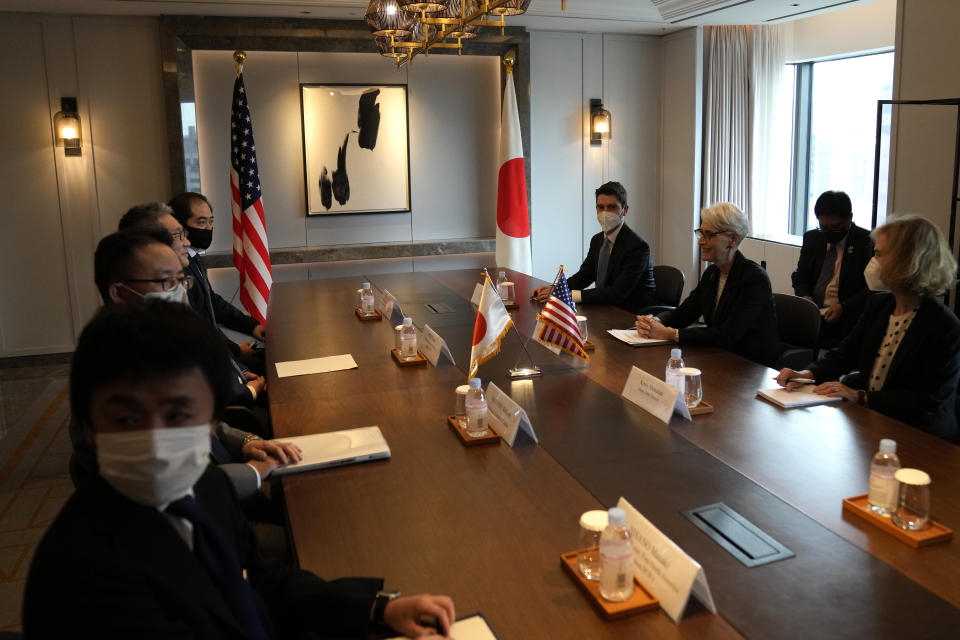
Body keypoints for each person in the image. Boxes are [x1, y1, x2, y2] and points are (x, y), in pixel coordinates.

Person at [24, 302, 455, 638]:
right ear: (87, 428)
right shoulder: (82, 576)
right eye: (126, 420)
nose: (156, 438)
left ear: (213, 418)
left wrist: (377, 608)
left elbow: (265, 580)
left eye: (178, 415)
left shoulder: (205, 484)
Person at [81, 229, 286, 492]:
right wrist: (253, 474)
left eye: (181, 279)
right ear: (118, 292)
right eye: (166, 281)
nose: (178, 290)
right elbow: (161, 482)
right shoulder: (112, 364)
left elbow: (195, 424)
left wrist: (245, 441)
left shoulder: (166, 339)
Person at [778, 214, 960, 442]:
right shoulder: (880, 305)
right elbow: (845, 354)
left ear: (908, 261)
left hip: (922, 437)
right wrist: (807, 374)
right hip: (872, 424)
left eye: (879, 254)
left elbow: (927, 400)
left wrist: (861, 397)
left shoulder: (943, 326)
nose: (872, 261)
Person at [116, 204, 268, 414]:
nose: (187, 241)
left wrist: (240, 373)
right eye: (180, 234)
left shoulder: (183, 278)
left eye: (179, 281)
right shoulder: (137, 340)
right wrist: (244, 390)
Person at [635, 202, 779, 367]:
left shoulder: (754, 278)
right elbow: (684, 313)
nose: (700, 241)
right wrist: (656, 321)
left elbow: (729, 334)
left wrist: (672, 334)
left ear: (733, 239)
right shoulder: (712, 273)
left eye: (709, 234)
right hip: (718, 358)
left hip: (750, 367)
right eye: (701, 233)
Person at [170, 191, 267, 374]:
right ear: (180, 226)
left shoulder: (194, 258)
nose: (208, 228)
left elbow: (212, 303)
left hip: (221, 354)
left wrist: (252, 326)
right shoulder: (176, 268)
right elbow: (199, 326)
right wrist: (236, 351)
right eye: (201, 222)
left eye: (211, 221)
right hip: (209, 364)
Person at [530, 181, 656, 313]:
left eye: (612, 207)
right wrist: (554, 289)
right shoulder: (597, 240)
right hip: (606, 308)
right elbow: (584, 276)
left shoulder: (638, 246)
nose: (605, 213)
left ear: (625, 210)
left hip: (633, 315)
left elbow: (617, 293)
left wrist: (568, 295)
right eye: (600, 207)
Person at [791, 190, 874, 348]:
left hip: (847, 319)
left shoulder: (866, 242)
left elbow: (870, 289)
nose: (829, 232)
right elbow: (800, 276)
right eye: (823, 227)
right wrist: (805, 296)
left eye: (835, 227)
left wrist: (844, 307)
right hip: (814, 314)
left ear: (849, 218)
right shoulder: (813, 238)